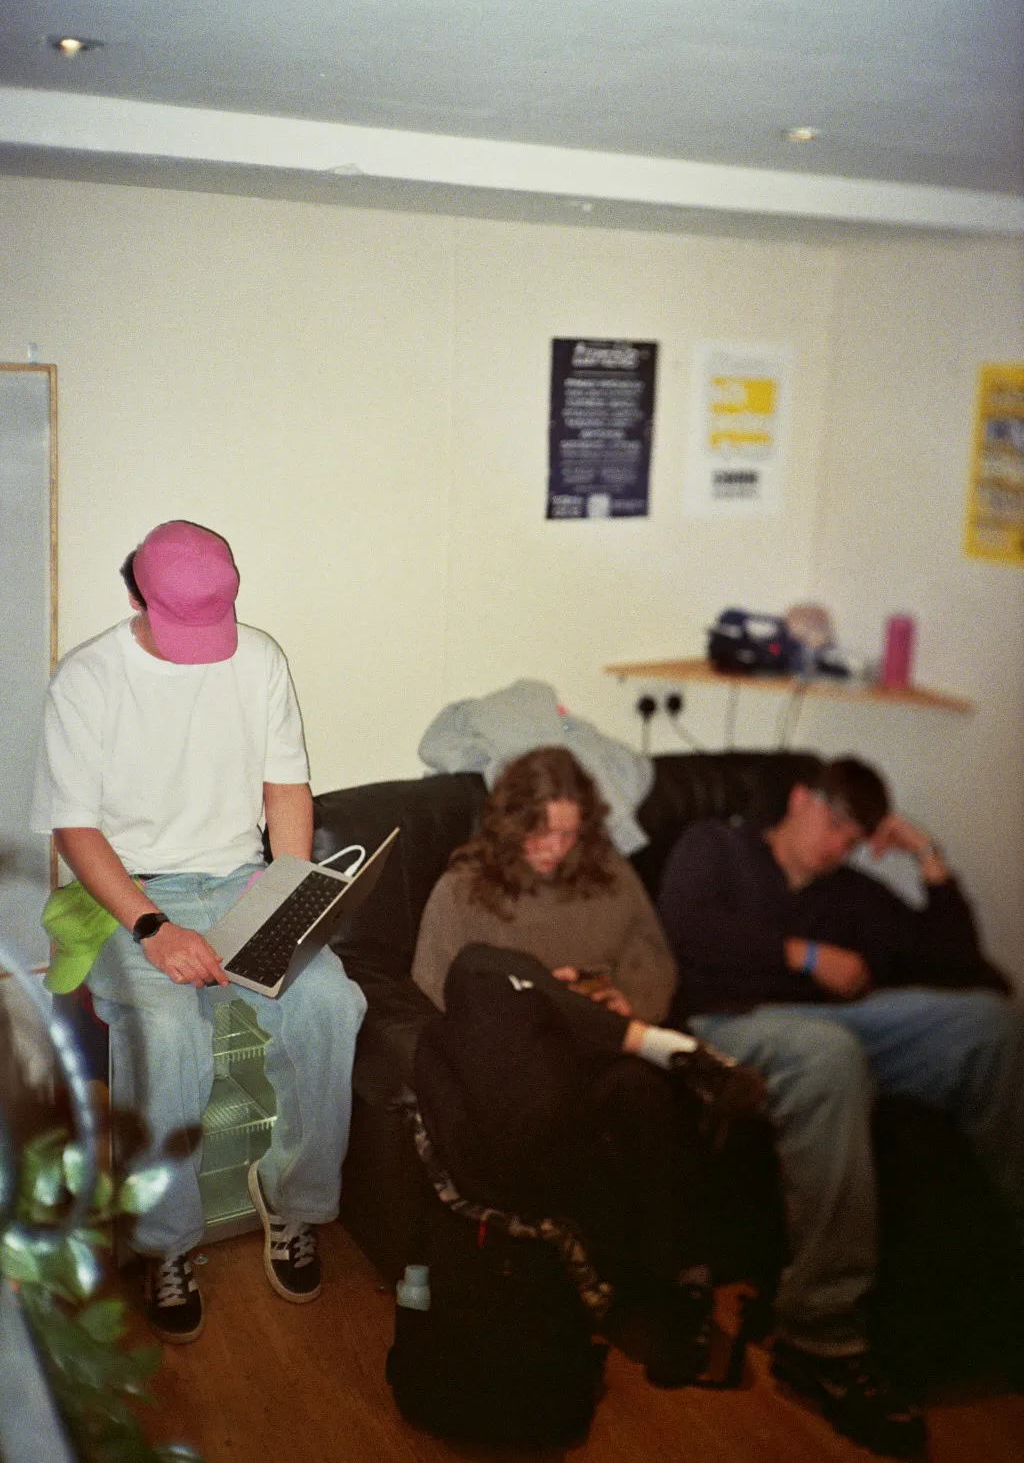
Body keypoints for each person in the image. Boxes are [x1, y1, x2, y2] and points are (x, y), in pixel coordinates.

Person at [31, 520, 367, 1343]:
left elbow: (285, 789)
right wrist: (152, 926)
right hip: (131, 890)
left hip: (239, 879)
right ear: (139, 597)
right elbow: (75, 828)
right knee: (166, 1031)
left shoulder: (261, 659)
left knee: (333, 1004)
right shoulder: (88, 678)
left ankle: (294, 1202)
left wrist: (288, 896)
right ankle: (165, 1244)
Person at [656, 755, 1023, 1455]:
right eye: (833, 825)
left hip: (835, 1027)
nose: (837, 848)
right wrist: (802, 955)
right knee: (827, 1053)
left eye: (853, 839)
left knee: (990, 1024)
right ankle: (819, 1335)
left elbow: (953, 959)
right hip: (726, 1023)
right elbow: (681, 925)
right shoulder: (718, 845)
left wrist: (928, 856)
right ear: (800, 798)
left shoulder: (852, 893)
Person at [412, 745, 761, 1388]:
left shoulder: (608, 875)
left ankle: (682, 1290)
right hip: (520, 1066)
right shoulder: (462, 887)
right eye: (539, 833)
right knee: (497, 973)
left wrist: (629, 1002)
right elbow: (447, 994)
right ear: (509, 824)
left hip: (601, 1061)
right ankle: (657, 1046)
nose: (554, 848)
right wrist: (545, 996)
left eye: (568, 834)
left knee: (645, 1093)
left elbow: (653, 959)